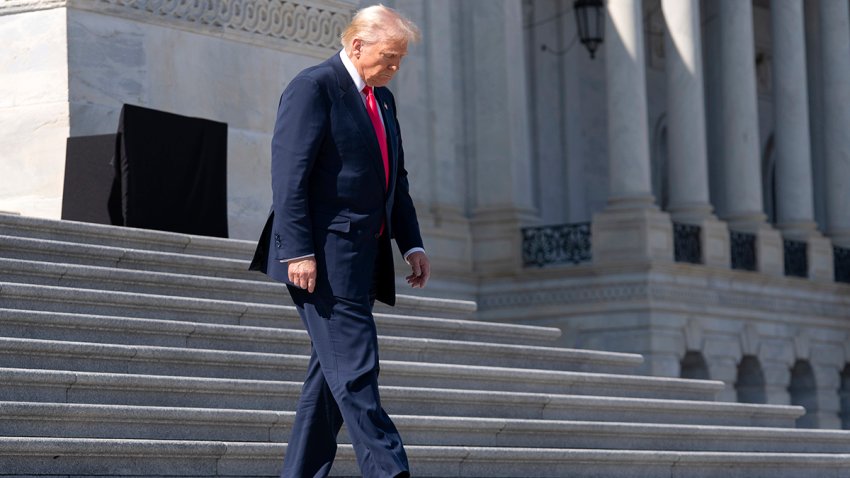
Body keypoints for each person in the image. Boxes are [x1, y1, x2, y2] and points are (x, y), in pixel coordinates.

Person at [249, 4, 430, 478]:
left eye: (400, 59)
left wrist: (410, 244)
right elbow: (289, 178)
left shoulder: (382, 100)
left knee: (328, 385)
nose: (395, 66)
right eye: (389, 56)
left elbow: (396, 180)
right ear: (357, 45)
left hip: (362, 258)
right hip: (322, 260)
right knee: (355, 373)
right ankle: (391, 472)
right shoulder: (314, 87)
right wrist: (298, 251)